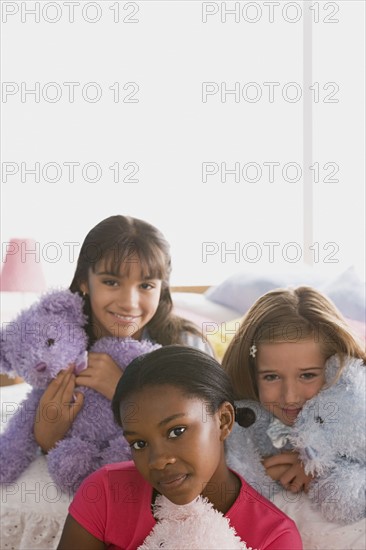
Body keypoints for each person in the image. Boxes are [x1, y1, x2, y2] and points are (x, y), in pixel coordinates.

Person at [57, 345, 303, 550]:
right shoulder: (105, 493)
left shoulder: (274, 537)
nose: (158, 460)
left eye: (177, 431)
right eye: (140, 443)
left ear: (224, 420)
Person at [34, 215, 213, 453]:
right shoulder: (59, 345)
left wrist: (123, 391)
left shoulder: (187, 346)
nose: (129, 303)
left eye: (146, 286)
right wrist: (46, 437)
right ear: (84, 282)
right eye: (111, 282)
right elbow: (41, 436)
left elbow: (210, 436)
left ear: (162, 289)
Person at [222, 286, 366, 526]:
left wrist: (320, 472)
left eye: (307, 375)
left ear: (336, 367)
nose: (289, 397)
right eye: (271, 377)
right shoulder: (239, 422)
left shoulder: (354, 413)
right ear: (251, 373)